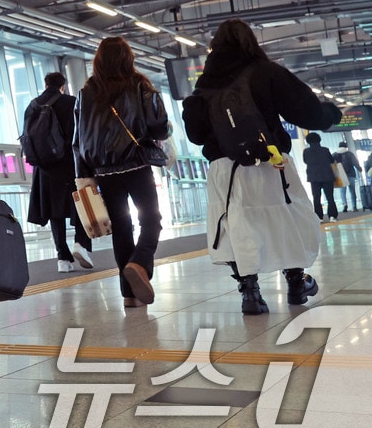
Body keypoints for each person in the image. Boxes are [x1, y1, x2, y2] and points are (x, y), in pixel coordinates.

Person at [182, 19, 341, 314]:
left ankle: (250, 293)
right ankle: (296, 283)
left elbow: (195, 135)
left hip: (225, 169)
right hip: (270, 161)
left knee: (237, 226)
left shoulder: (204, 85)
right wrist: (331, 114)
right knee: (288, 220)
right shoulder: (265, 72)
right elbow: (305, 111)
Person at [72, 37, 171, 309]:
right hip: (137, 164)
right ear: (128, 58)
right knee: (151, 219)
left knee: (121, 228)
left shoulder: (86, 92)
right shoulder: (139, 84)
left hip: (104, 172)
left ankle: (129, 295)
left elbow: (78, 140)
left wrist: (84, 176)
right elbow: (159, 126)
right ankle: (139, 263)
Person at [24, 72, 93, 274]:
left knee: (55, 212)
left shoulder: (33, 105)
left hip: (45, 167)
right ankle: (80, 243)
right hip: (70, 164)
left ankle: (62, 258)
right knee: (79, 203)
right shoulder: (71, 102)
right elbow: (82, 134)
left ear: (46, 85)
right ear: (63, 86)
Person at [302, 132, 338, 222]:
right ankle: (332, 216)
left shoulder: (306, 151)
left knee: (316, 198)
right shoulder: (325, 150)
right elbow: (332, 160)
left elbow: (305, 161)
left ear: (308, 141)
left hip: (314, 177)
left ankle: (319, 217)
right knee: (330, 197)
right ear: (319, 140)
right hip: (327, 176)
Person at [336, 142, 361, 212]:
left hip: (340, 175)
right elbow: (355, 162)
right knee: (352, 190)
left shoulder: (335, 154)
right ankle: (354, 206)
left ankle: (344, 204)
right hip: (351, 174)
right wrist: (359, 168)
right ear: (346, 147)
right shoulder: (350, 154)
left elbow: (331, 163)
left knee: (342, 191)